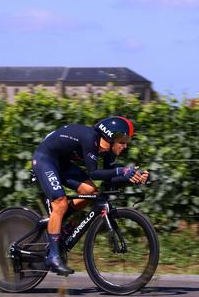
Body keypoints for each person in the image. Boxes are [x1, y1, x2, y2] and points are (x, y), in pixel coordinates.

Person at [31, 116, 149, 275]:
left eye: (127, 141)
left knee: (91, 191)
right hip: (45, 158)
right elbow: (94, 173)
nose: (126, 145)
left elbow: (109, 177)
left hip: (62, 163)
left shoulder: (108, 151)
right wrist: (122, 171)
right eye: (123, 140)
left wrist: (134, 178)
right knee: (60, 203)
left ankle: (61, 222)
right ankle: (53, 256)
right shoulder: (90, 138)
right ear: (110, 136)